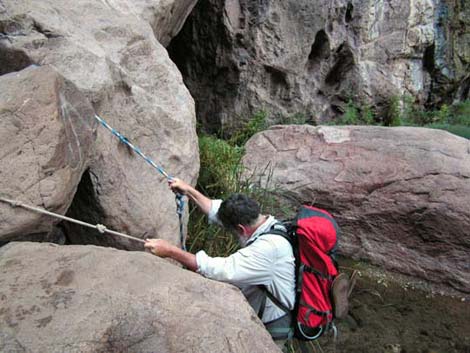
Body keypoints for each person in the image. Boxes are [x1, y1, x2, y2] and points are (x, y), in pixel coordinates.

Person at [144, 178, 295, 349]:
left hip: (273, 324)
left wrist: (170, 250)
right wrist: (188, 190)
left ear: (241, 229)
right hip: (261, 312)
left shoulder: (268, 250)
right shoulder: (262, 222)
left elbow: (219, 269)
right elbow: (216, 209)